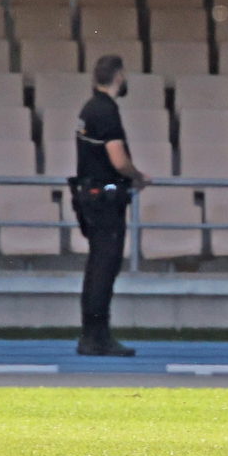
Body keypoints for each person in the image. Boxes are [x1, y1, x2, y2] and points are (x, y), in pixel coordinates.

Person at [71, 54, 149, 357]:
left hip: (89, 196)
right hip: (105, 199)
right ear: (118, 76)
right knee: (105, 267)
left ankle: (90, 333)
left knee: (96, 268)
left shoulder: (89, 109)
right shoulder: (106, 111)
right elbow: (118, 159)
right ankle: (97, 336)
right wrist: (138, 177)